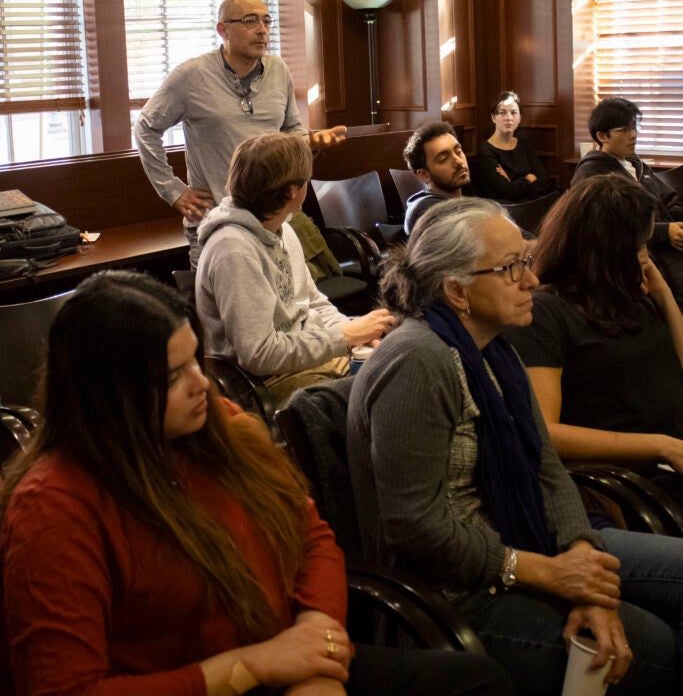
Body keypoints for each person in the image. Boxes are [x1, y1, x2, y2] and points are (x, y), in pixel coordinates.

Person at [0, 270, 511, 696]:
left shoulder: (221, 428)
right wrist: (255, 666)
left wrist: (318, 644)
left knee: (476, 682)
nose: (202, 384)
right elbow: (64, 691)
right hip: (203, 683)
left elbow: (312, 539)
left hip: (287, 659)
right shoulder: (55, 507)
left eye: (195, 362)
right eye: (172, 377)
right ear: (108, 394)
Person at [347, 197, 683, 696]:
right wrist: (549, 574)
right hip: (452, 590)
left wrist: (580, 555)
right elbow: (414, 527)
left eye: (526, 260)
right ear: (456, 291)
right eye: (510, 269)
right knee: (651, 645)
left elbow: (547, 469)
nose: (530, 280)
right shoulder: (418, 361)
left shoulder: (495, 349)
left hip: (529, 540)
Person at [506, 174, 683, 503]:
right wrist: (661, 445)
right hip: (641, 479)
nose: (645, 255)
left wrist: (663, 295)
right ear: (607, 250)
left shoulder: (626, 292)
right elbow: (545, 432)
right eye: (637, 245)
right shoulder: (546, 312)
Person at [135, 0, 346, 267]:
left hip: (273, 215)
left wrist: (312, 140)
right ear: (223, 29)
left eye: (267, 21)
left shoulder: (278, 70)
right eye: (250, 21)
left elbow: (290, 129)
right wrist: (173, 190)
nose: (262, 30)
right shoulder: (191, 76)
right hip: (218, 220)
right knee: (227, 308)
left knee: (288, 305)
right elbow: (145, 128)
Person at [196, 132, 393, 407]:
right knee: (384, 392)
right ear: (291, 191)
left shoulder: (283, 227)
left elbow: (313, 303)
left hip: (305, 358)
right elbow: (258, 355)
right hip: (265, 382)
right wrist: (345, 337)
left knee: (398, 364)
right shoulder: (233, 250)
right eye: (306, 180)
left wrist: (354, 333)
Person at [572, 96, 683, 300]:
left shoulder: (636, 164)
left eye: (633, 127)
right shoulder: (592, 173)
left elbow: (667, 200)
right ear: (602, 136)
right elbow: (602, 226)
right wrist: (663, 232)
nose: (633, 136)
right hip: (636, 258)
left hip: (666, 251)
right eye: (623, 131)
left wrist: (677, 221)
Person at [477, 91, 552, 201]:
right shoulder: (486, 151)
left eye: (513, 113)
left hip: (533, 203)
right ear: (493, 117)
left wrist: (513, 182)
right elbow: (506, 191)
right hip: (507, 210)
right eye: (502, 113)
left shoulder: (523, 143)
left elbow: (544, 181)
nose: (508, 118)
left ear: (519, 118)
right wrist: (528, 178)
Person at [402, 121, 471, 234]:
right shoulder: (429, 211)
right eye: (444, 159)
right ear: (424, 175)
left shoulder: (453, 201)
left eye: (458, 152)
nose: (458, 161)